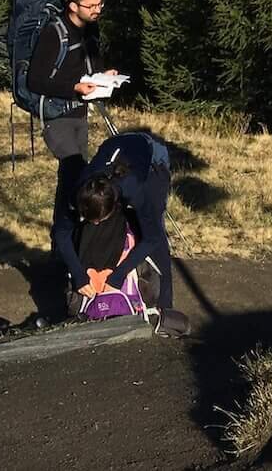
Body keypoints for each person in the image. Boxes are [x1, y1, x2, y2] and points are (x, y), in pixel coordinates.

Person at [52, 130, 188, 337]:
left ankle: (163, 309)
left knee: (154, 234)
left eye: (99, 219)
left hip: (151, 159)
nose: (95, 223)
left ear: (115, 205)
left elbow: (152, 238)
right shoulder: (77, 193)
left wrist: (119, 274)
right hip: (111, 151)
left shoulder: (133, 189)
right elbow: (61, 234)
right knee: (85, 231)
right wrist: (79, 276)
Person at [25, 0, 117, 222]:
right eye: (91, 6)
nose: (97, 10)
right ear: (73, 6)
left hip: (79, 113)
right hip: (56, 115)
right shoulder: (53, 33)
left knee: (76, 177)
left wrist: (103, 76)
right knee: (74, 174)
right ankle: (65, 240)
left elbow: (90, 66)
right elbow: (34, 81)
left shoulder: (90, 30)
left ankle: (70, 238)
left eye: (100, 4)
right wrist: (73, 87)